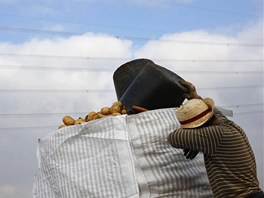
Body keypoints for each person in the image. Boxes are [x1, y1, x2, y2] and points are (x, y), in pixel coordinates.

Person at [167, 80, 263, 198]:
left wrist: (194, 138)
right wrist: (196, 98)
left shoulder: (215, 135)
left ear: (199, 127)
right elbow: (217, 114)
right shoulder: (228, 126)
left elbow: (174, 138)